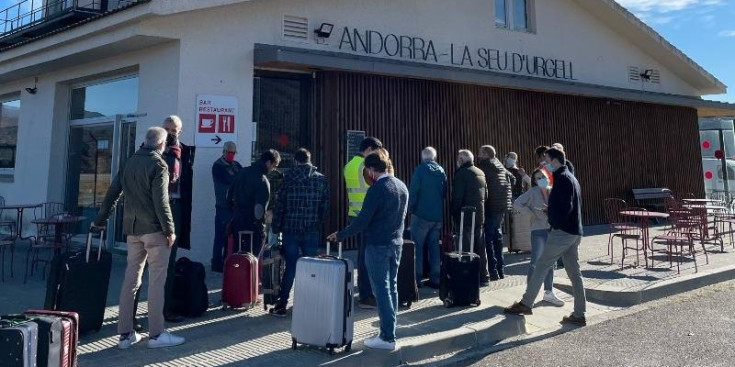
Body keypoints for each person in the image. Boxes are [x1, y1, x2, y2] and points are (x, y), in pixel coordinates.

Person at [93, 127, 185, 349]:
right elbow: (161, 202)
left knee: (130, 281)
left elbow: (113, 192)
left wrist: (100, 220)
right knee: (156, 282)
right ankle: (156, 334)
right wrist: (170, 229)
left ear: (145, 141)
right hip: (154, 230)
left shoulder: (129, 162)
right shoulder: (159, 165)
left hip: (132, 231)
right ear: (162, 145)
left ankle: (125, 334)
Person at [327, 152, 408, 351]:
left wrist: (340, 235)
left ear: (371, 170)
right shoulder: (401, 186)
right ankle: (390, 331)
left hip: (377, 245)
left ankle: (387, 337)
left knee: (381, 290)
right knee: (392, 289)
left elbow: (362, 221)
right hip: (396, 243)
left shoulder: (377, 189)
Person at [504, 148, 586, 326]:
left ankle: (526, 303)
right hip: (574, 231)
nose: (544, 163)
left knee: (541, 265)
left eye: (546, 160)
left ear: (555, 161)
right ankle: (579, 314)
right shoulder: (571, 177)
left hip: (562, 232)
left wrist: (552, 215)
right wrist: (553, 211)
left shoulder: (562, 179)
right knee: (574, 273)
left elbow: (566, 207)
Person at [270, 148, 330, 317]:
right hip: (311, 229)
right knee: (312, 266)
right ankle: (310, 304)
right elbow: (324, 207)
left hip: (290, 229)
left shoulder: (288, 178)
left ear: (295, 161)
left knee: (291, 266)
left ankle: (282, 304)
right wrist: (317, 223)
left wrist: (276, 227)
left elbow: (279, 205)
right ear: (309, 160)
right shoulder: (321, 180)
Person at [160, 115, 196, 322]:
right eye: (166, 129)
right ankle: (130, 315)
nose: (170, 133)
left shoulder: (185, 151)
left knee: (169, 264)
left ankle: (164, 309)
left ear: (179, 131)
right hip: (155, 212)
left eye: (174, 130)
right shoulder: (151, 149)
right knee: (143, 265)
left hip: (176, 209)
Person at [512, 169, 564, 306]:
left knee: (550, 262)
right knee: (535, 262)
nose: (541, 179)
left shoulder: (554, 191)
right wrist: (530, 214)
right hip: (538, 231)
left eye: (543, 177)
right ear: (534, 180)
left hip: (552, 230)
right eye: (538, 178)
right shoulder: (532, 192)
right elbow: (516, 203)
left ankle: (549, 292)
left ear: (547, 177)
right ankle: (529, 294)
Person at [343, 137, 383, 309]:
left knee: (362, 255)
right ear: (368, 149)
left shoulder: (349, 165)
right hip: (368, 216)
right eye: (375, 151)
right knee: (368, 256)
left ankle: (364, 290)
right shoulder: (366, 167)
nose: (377, 155)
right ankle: (366, 296)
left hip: (354, 213)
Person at [228, 149, 281, 257]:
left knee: (237, 259)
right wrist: (261, 228)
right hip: (252, 227)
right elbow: (259, 210)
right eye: (274, 166)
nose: (273, 169)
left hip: (237, 222)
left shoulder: (241, 172)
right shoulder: (262, 180)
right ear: (268, 163)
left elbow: (228, 197)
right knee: (251, 259)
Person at [408, 147, 447, 289]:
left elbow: (413, 191)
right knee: (434, 246)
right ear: (434, 157)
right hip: (437, 215)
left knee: (417, 247)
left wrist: (410, 209)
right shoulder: (441, 171)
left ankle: (416, 279)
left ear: (423, 157)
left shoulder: (420, 170)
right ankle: (435, 278)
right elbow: (444, 192)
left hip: (421, 215)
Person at [451, 149, 490, 286]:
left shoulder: (462, 173)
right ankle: (484, 276)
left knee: (466, 247)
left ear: (461, 160)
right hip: (479, 215)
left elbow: (457, 197)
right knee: (480, 245)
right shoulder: (480, 172)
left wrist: (454, 212)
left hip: (465, 215)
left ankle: (469, 276)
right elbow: (485, 196)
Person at [477, 145, 512, 281]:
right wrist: (506, 196)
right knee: (498, 236)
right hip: (502, 207)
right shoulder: (500, 165)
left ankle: (492, 271)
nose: (478, 154)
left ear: (486, 154)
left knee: (488, 238)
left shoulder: (484, 166)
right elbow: (513, 179)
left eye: (480, 152)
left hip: (490, 205)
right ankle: (501, 269)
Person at [211, 141, 242, 273]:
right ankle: (217, 264)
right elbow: (230, 179)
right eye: (229, 153)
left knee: (233, 237)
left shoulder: (236, 165)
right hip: (223, 206)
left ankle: (228, 261)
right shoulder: (218, 166)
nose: (231, 155)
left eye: (233, 153)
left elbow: (241, 177)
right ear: (224, 152)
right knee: (220, 237)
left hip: (235, 207)